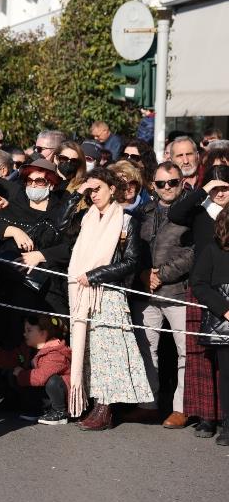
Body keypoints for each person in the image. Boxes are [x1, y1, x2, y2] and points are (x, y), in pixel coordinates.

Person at [66, 167, 152, 431]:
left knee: (108, 355)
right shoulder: (86, 217)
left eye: (98, 189)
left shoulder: (127, 220)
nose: (93, 195)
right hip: (83, 295)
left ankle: (105, 410)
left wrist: (95, 275)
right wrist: (75, 195)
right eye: (90, 190)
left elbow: (131, 262)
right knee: (90, 352)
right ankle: (95, 405)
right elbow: (60, 226)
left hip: (108, 294)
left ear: (112, 189)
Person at [169, 164, 229, 436]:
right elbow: (175, 212)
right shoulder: (199, 209)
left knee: (225, 361)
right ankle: (206, 417)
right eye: (215, 188)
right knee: (199, 355)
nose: (220, 193)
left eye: (225, 187)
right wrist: (203, 189)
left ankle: (226, 418)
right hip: (201, 288)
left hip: (227, 290)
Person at [133, 162, 192, 428]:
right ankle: (148, 404)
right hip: (146, 292)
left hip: (179, 291)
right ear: (152, 186)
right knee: (146, 349)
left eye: (172, 182)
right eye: (160, 183)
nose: (167, 187)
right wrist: (145, 273)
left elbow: (194, 252)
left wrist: (162, 274)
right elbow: (135, 246)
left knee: (186, 353)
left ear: (182, 182)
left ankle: (181, 408)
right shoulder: (143, 212)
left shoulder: (194, 212)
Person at [188, 206, 229, 446]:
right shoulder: (213, 251)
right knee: (227, 375)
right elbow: (199, 283)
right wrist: (224, 309)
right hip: (224, 323)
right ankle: (227, 424)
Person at [0, 314, 71, 424]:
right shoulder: (28, 348)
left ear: (43, 333)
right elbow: (9, 360)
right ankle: (36, 409)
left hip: (59, 394)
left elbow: (40, 377)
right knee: (13, 372)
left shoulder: (55, 353)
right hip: (42, 393)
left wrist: (21, 374)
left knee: (52, 381)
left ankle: (59, 413)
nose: (25, 334)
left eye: (29, 330)